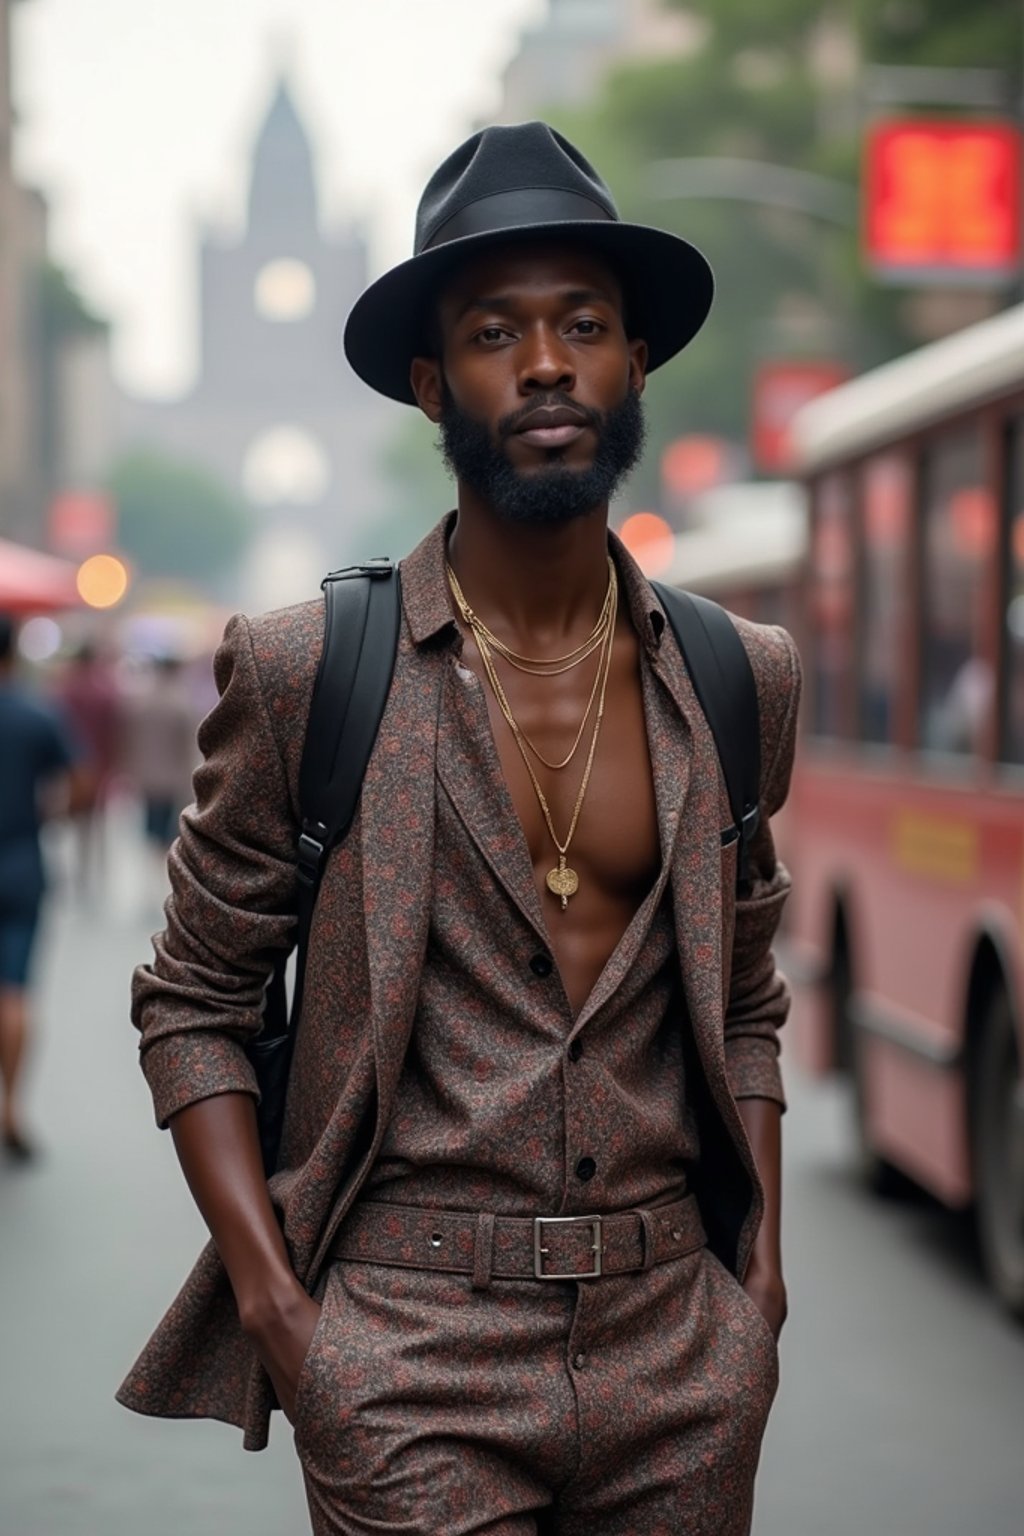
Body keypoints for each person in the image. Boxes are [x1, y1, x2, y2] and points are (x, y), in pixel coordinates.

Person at [118, 123, 801, 1535]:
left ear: (636, 363)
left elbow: (744, 998)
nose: (546, 362)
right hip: (405, 1353)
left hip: (680, 1347)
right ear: (434, 382)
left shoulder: (741, 676)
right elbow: (192, 998)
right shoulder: (312, 667)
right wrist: (288, 1321)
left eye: (585, 326)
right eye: (497, 332)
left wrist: (760, 1290)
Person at [0, 612, 77, 1160]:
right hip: (21, 861)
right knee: (16, 992)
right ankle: (11, 1107)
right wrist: (49, 816)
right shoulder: (36, 714)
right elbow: (79, 782)